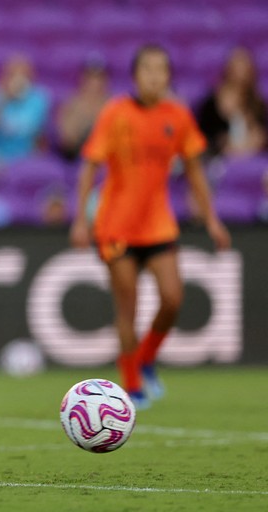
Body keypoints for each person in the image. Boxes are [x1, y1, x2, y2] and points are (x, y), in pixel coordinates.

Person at [70, 44, 231, 410]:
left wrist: (212, 219)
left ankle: (144, 357)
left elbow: (194, 169)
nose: (155, 76)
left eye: (161, 69)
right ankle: (132, 386)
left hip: (158, 224)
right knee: (128, 307)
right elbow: (90, 167)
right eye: (147, 69)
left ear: (169, 76)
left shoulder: (178, 115)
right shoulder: (116, 113)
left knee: (173, 298)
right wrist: (81, 219)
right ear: (135, 75)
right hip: (117, 226)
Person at [0, 54, 51, 166]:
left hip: (25, 157)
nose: (18, 79)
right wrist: (4, 97)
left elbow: (39, 136)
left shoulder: (39, 99)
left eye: (23, 75)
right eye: (12, 74)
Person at [194, 46, 267, 158]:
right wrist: (221, 143)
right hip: (219, 162)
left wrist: (258, 139)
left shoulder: (258, 104)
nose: (240, 71)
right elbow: (201, 139)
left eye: (244, 66)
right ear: (228, 68)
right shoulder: (210, 104)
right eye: (237, 66)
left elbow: (262, 134)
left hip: (252, 162)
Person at [55, 56, 111, 160]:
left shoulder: (113, 105)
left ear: (105, 80)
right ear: (83, 79)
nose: (94, 82)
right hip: (76, 156)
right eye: (90, 77)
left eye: (98, 78)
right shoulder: (71, 103)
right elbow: (67, 141)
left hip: (105, 158)